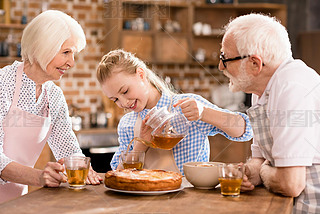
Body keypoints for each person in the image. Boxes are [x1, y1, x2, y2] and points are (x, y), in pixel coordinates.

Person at [219, 13, 320, 213]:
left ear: (255, 64)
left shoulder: (291, 87)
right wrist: (247, 172)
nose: (220, 66)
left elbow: (290, 183)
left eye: (225, 58)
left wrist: (264, 171)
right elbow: (260, 160)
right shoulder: (262, 90)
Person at [0, 10, 102, 204]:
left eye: (73, 54)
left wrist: (86, 171)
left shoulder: (53, 96)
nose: (72, 62)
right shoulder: (2, 84)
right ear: (42, 48)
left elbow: (68, 149)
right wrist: (39, 177)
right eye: (66, 52)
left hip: (14, 202)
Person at [96, 49, 253, 175]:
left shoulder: (187, 106)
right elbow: (118, 175)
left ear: (141, 75)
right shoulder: (127, 123)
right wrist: (140, 145)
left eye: (125, 91)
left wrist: (204, 112)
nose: (123, 103)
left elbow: (246, 130)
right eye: (115, 99)